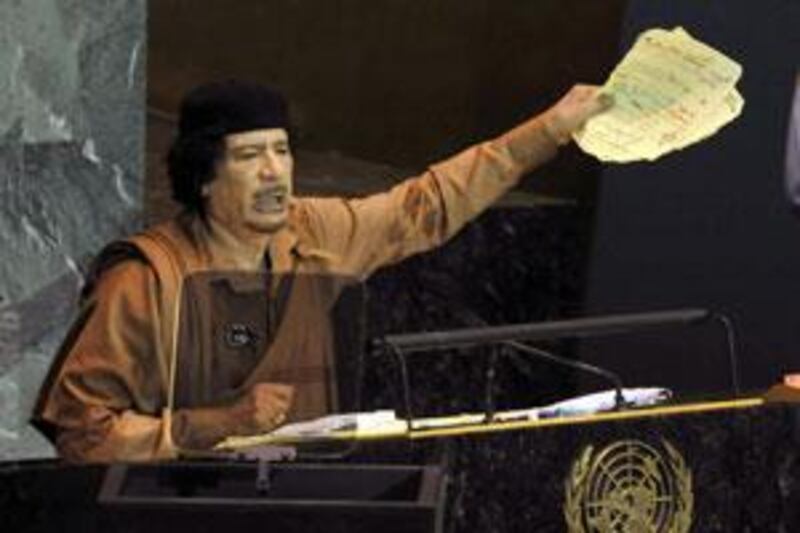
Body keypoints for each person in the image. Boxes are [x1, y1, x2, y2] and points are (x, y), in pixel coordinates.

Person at [33, 79, 611, 462]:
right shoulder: (144, 280)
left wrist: (551, 129)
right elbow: (84, 437)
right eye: (249, 155)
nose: (273, 173)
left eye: (281, 151)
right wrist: (211, 424)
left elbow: (425, 206)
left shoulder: (312, 233)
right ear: (203, 177)